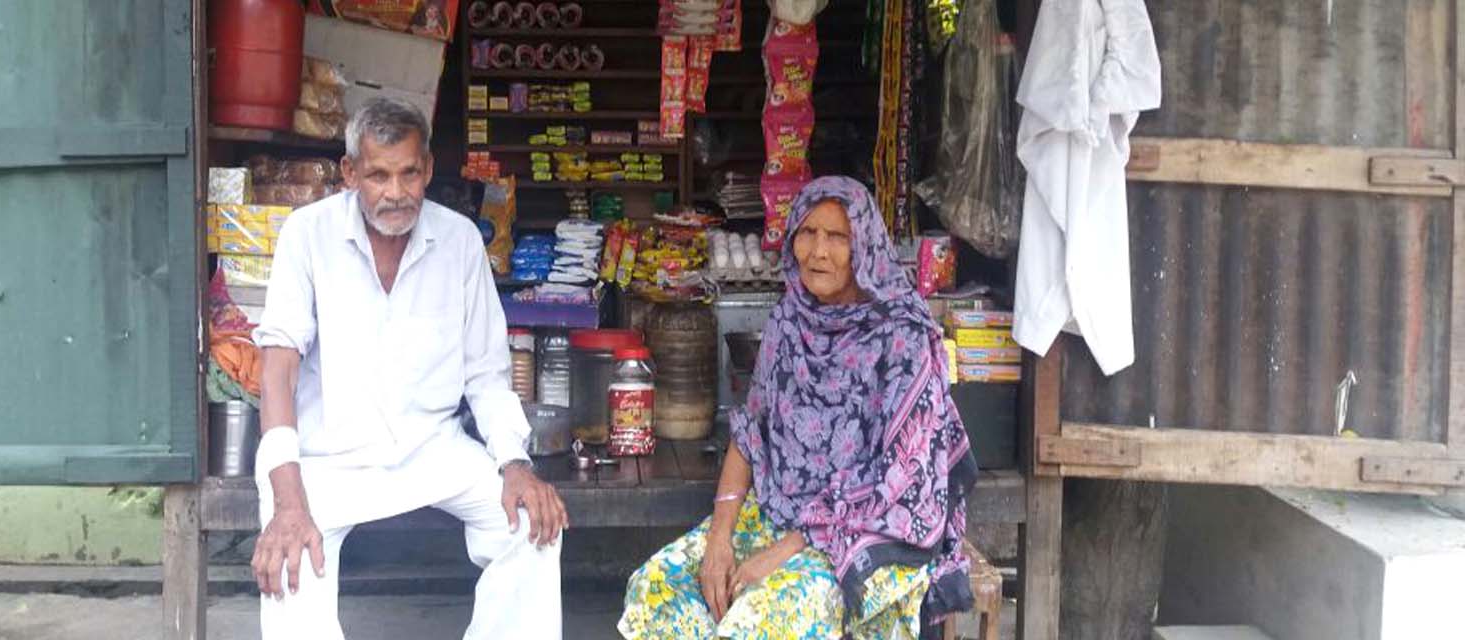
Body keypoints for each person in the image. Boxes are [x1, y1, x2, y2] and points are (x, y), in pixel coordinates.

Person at [249, 97, 567, 639]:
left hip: (432, 450)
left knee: (533, 524)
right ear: (350, 173)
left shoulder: (461, 241)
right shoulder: (308, 235)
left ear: (427, 169)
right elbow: (276, 370)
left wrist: (515, 462)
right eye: (377, 175)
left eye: (408, 174)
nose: (395, 193)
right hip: (329, 458)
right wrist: (286, 497)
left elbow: (488, 376)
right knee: (290, 555)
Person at [618, 176, 979, 639]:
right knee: (655, 589)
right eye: (807, 233)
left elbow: (896, 479)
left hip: (868, 530)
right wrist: (719, 540)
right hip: (778, 510)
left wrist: (781, 553)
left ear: (864, 246)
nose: (817, 251)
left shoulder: (902, 336)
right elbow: (751, 433)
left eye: (836, 237)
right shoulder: (789, 321)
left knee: (758, 621)